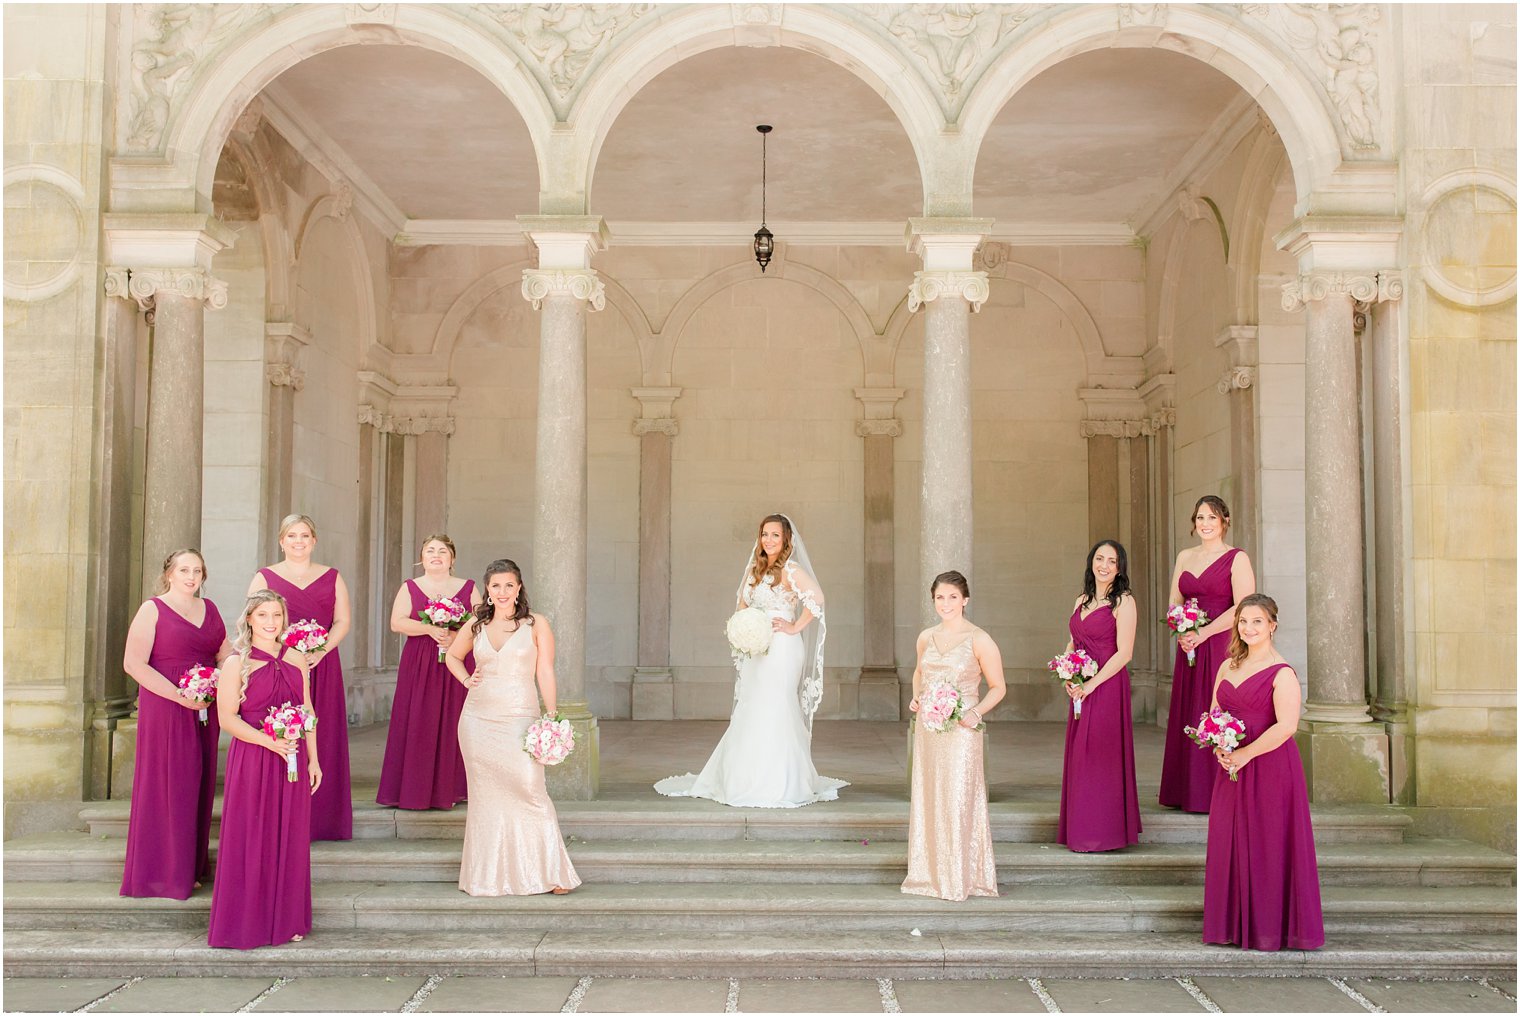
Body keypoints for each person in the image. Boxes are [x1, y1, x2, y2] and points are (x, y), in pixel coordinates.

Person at [654, 513, 847, 808]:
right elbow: (742, 606)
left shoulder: (791, 570)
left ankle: (783, 781)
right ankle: (745, 778)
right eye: (764, 534)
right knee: (752, 704)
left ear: (786, 541)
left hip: (783, 647)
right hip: (756, 647)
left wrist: (794, 627)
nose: (768, 540)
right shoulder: (754, 570)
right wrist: (744, 630)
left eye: (775, 535)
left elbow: (817, 599)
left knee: (777, 704)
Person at [447, 559, 579, 896]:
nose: (502, 592)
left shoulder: (536, 624)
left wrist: (552, 715)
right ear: (488, 591)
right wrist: (466, 678)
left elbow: (545, 671)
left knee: (530, 790)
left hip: (521, 718)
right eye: (496, 586)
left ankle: (552, 873)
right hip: (478, 721)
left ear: (519, 588)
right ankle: (487, 876)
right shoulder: (476, 625)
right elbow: (452, 656)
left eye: (509, 585)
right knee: (485, 799)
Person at [1202, 593, 1324, 951]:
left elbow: (1287, 726)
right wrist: (1219, 746)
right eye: (1243, 621)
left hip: (1270, 767)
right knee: (1229, 839)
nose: (1248, 628)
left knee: (1268, 842)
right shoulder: (1227, 666)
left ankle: (1268, 928)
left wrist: (1245, 754)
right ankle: (1231, 924)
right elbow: (1213, 715)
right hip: (1231, 766)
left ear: (1272, 625)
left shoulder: (1282, 672)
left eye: (1257, 621)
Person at [207, 590, 319, 948]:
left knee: (290, 836)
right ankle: (248, 922)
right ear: (250, 620)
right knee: (253, 835)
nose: (271, 622)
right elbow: (226, 719)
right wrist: (268, 742)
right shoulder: (236, 664)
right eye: (264, 615)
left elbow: (308, 713)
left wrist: (313, 758)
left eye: (277, 616)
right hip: (254, 759)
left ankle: (287, 920)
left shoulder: (298, 658)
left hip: (293, 758)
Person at [120, 549, 231, 899]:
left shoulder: (209, 609)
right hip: (166, 707)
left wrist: (221, 680)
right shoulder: (151, 609)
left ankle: (190, 866)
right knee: (169, 783)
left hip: (204, 707)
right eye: (184, 570)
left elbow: (225, 655)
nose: (191, 577)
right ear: (169, 573)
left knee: (197, 783)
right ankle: (162, 873)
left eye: (197, 571)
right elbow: (134, 664)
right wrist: (179, 696)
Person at [902, 570, 1005, 902]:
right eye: (939, 597)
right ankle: (928, 874)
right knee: (930, 798)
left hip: (962, 732)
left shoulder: (980, 639)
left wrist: (975, 713)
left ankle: (960, 877)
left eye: (952, 597)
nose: (945, 603)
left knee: (959, 800)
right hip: (930, 731)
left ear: (965, 600)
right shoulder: (925, 637)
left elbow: (999, 687)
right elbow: (919, 672)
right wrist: (917, 696)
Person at [248, 513, 352, 840]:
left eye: (304, 536)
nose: (298, 542)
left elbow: (342, 621)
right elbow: (253, 620)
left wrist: (319, 651)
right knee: (284, 729)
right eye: (292, 536)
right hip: (280, 667)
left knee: (322, 730)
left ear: (314, 541)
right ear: (281, 541)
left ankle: (325, 818)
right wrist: (286, 654)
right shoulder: (264, 577)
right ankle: (284, 814)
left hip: (322, 663)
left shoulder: (332, 577)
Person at [1159, 495, 1255, 813]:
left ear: (1225, 522)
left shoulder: (1237, 558)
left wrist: (1204, 633)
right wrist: (1182, 630)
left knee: (1214, 707)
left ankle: (1215, 790)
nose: (1205, 523)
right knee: (1190, 708)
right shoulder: (1185, 556)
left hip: (1219, 644)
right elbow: (1175, 600)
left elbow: (1244, 607)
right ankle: (1185, 791)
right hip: (1189, 645)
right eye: (1200, 518)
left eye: (1212, 517)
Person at [377, 534, 480, 810]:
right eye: (430, 551)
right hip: (420, 663)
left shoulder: (468, 588)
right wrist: (429, 628)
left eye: (443, 551)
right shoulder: (410, 587)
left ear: (452, 558)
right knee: (419, 719)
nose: (436, 555)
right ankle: (415, 788)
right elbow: (397, 623)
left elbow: (481, 624)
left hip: (457, 660)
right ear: (421, 557)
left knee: (456, 720)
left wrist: (456, 634)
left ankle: (455, 788)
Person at [1057, 540, 1142, 853]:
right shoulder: (1080, 599)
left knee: (1101, 756)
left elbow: (1125, 653)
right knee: (1081, 757)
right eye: (1100, 558)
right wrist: (1068, 674)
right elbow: (1072, 642)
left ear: (1120, 568)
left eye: (1112, 561)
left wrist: (1092, 685)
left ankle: (1103, 833)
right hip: (1080, 687)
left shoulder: (1124, 602)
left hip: (1106, 688)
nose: (1105, 565)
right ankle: (1080, 827)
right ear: (1091, 561)